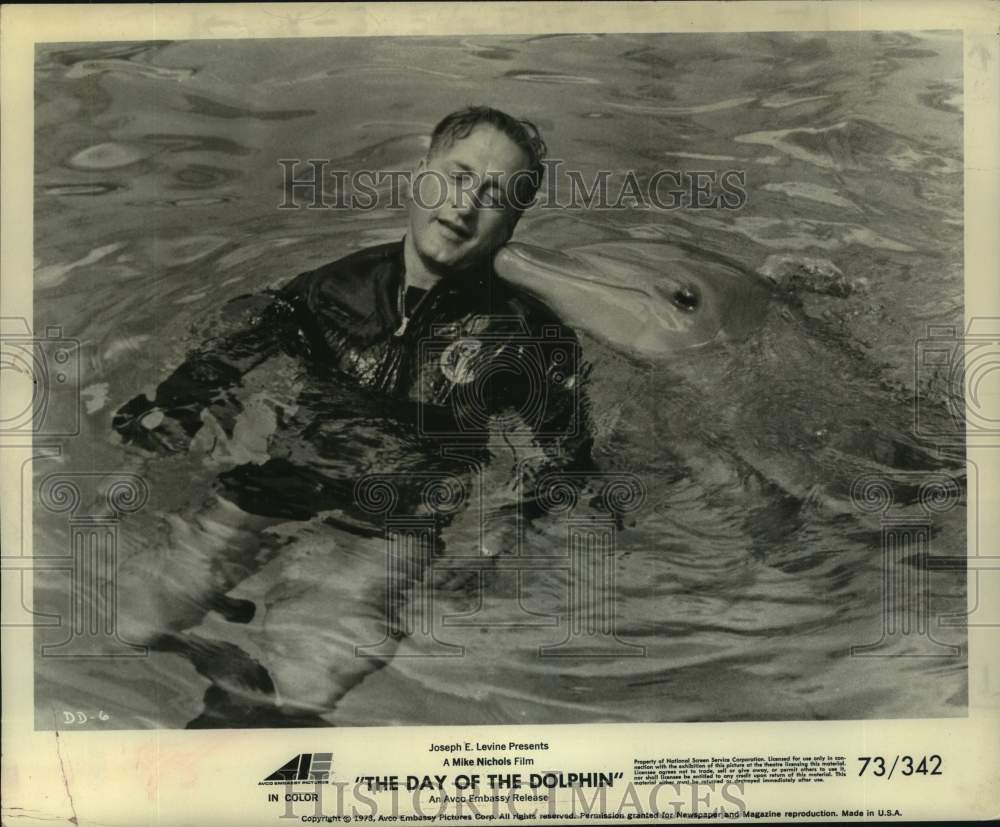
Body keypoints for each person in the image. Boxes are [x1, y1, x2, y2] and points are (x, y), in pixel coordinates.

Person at [111, 106, 593, 723]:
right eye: (457, 175)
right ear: (420, 175)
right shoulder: (332, 289)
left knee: (307, 687)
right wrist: (163, 424)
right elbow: (229, 352)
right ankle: (222, 655)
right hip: (279, 481)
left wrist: (499, 535)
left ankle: (249, 688)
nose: (465, 204)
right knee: (133, 623)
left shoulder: (526, 337)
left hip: (394, 521)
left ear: (514, 220)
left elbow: (567, 459)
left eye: (495, 194)